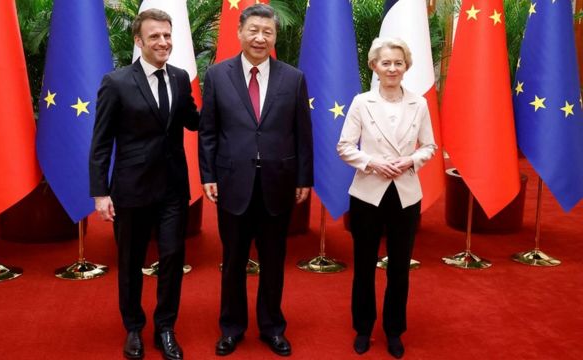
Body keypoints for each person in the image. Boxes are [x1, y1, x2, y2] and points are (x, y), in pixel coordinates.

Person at [198, 4, 313, 357]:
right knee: (233, 260)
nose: (260, 37)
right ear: (240, 33)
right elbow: (208, 132)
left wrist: (304, 178)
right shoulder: (217, 75)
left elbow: (302, 134)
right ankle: (231, 327)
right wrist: (208, 175)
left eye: (268, 32)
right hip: (233, 183)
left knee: (274, 260)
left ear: (274, 36)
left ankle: (272, 327)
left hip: (279, 184)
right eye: (254, 30)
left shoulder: (292, 78)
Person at [89, 9, 199, 360]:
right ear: (139, 41)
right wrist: (100, 192)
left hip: (172, 190)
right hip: (131, 190)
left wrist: (227, 99)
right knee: (131, 261)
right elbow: (101, 141)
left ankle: (165, 327)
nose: (163, 42)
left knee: (171, 258)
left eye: (167, 35)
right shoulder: (116, 82)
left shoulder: (181, 78)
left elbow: (194, 122)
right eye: (155, 36)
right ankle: (133, 328)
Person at [337, 37, 437, 359]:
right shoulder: (360, 102)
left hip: (405, 194)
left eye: (398, 62)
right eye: (386, 63)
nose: (392, 68)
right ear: (374, 67)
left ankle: (394, 330)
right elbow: (345, 147)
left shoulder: (419, 103)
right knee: (364, 265)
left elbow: (429, 147)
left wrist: (410, 161)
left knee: (399, 267)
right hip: (368, 191)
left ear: (406, 66)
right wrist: (372, 162)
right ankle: (363, 328)